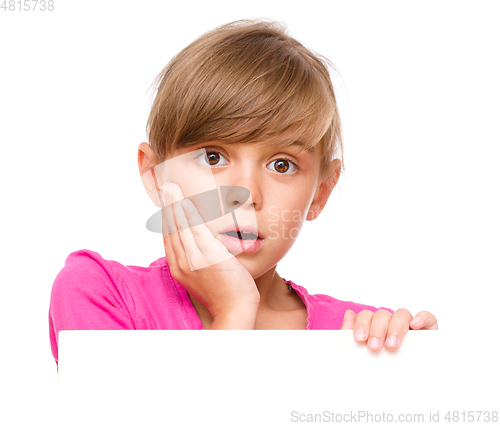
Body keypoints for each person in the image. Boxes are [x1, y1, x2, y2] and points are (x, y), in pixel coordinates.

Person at [48, 19, 437, 366]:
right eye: (214, 157)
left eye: (281, 164)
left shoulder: (360, 336)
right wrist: (233, 313)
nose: (246, 193)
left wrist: (418, 365)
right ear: (154, 174)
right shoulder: (102, 293)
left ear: (320, 192)